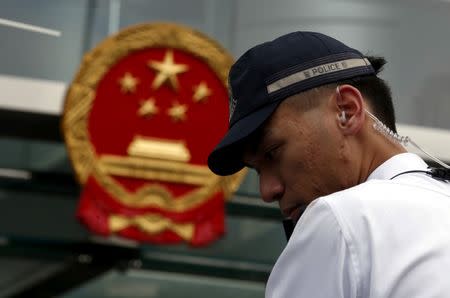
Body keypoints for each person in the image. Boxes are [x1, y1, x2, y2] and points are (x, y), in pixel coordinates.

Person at [207, 31, 450, 298]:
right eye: (257, 170)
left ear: (346, 110)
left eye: (273, 153)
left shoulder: (340, 217)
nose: (267, 191)